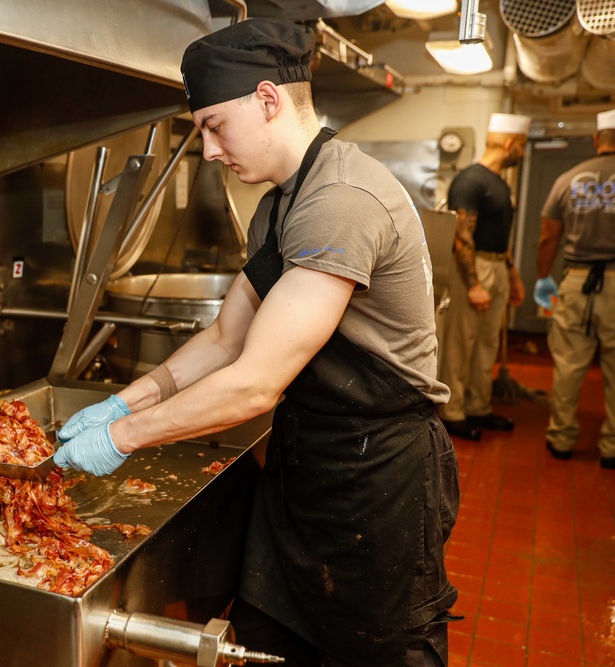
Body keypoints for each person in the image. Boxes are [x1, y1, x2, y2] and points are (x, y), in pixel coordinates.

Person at [53, 18, 460, 667]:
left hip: (380, 474)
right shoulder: (278, 205)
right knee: (269, 635)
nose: (208, 149)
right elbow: (223, 338)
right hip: (308, 462)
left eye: (215, 124)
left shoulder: (340, 199)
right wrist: (123, 403)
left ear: (268, 99)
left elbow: (254, 382)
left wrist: (123, 439)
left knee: (379, 651)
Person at [436, 113, 529, 441]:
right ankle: (452, 411)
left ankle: (478, 404)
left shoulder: (500, 182)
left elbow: (499, 234)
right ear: (509, 145)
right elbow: (462, 237)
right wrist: (474, 284)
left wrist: (512, 274)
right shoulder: (470, 181)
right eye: (522, 146)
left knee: (487, 342)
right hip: (472, 268)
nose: (523, 151)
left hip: (497, 265)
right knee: (462, 342)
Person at [534, 108, 615, 469]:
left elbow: (548, 238)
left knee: (568, 364)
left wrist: (543, 278)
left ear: (597, 140)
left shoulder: (567, 180)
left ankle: (562, 439)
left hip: (576, 280)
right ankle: (612, 448)